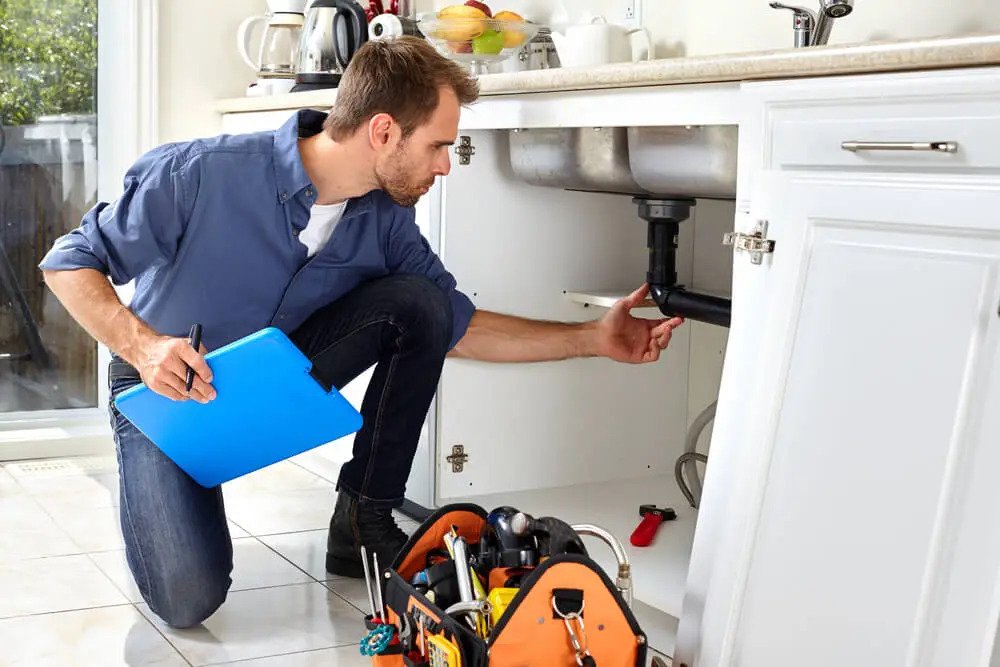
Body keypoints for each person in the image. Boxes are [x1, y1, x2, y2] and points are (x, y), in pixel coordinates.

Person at [39, 37, 684, 628]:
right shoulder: (199, 172)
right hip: (168, 390)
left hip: (273, 374)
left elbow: (456, 326)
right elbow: (68, 263)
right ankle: (174, 477)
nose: (446, 165)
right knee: (188, 600)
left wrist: (592, 338)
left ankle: (362, 520)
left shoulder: (386, 223)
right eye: (437, 145)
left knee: (420, 303)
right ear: (383, 131)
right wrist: (145, 347)